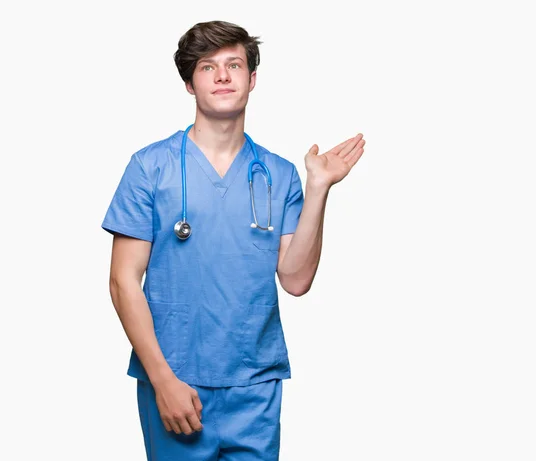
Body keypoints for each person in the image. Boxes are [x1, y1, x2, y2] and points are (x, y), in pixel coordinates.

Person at [101, 20, 365, 461]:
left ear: (252, 79)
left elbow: (296, 280)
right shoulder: (150, 168)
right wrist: (163, 380)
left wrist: (318, 188)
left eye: (234, 64)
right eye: (208, 67)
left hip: (255, 386)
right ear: (190, 83)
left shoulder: (279, 175)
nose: (222, 76)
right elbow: (122, 282)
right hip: (176, 382)